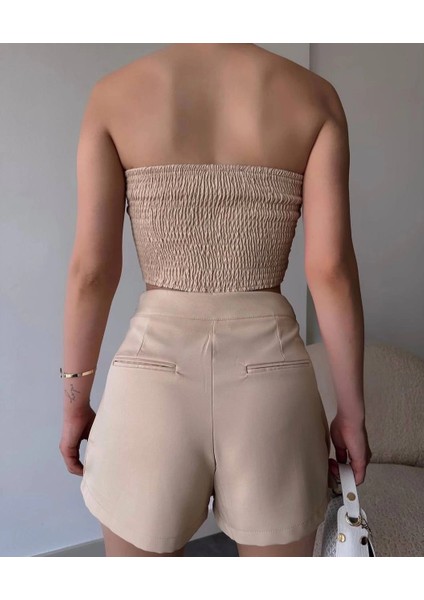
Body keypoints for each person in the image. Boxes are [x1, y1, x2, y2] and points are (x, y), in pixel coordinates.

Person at [59, 43, 372, 557]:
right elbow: (330, 271)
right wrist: (352, 415)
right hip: (271, 380)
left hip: (151, 383)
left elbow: (91, 274)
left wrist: (75, 403)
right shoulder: (315, 97)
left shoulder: (113, 96)